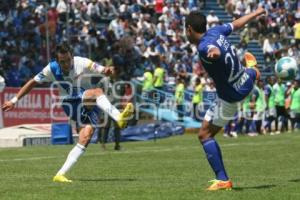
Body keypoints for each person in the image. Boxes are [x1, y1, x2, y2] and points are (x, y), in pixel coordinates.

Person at [2, 43, 134, 183]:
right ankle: (118, 117)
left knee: (86, 135)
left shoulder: (82, 62)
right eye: (62, 61)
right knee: (97, 92)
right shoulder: (51, 69)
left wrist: (107, 70)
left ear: (72, 56)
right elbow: (32, 82)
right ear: (57, 61)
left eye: (68, 60)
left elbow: (100, 69)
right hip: (70, 103)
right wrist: (14, 100)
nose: (66, 64)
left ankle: (60, 174)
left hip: (85, 99)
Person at [185, 7, 265, 190]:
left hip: (231, 97)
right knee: (248, 73)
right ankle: (253, 70)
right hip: (244, 82)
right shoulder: (216, 30)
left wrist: (215, 53)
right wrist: (257, 12)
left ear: (189, 29)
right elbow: (237, 23)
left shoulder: (205, 47)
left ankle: (223, 180)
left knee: (204, 135)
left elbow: (213, 50)